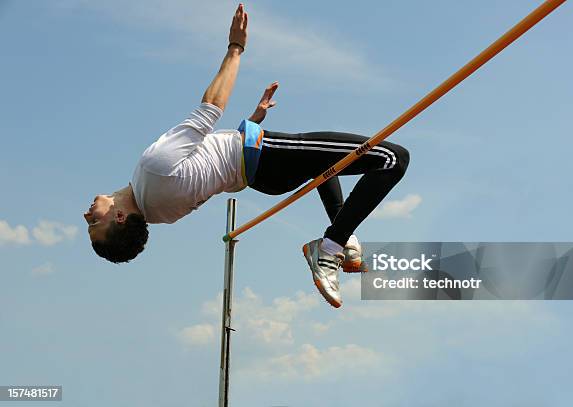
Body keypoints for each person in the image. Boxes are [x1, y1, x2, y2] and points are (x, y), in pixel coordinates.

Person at [83, 4, 409, 308]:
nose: (87, 216)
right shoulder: (152, 173)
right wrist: (235, 47)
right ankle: (330, 249)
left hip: (260, 172)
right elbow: (210, 109)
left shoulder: (156, 209)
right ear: (121, 218)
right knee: (392, 158)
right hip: (264, 157)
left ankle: (344, 239)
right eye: (94, 223)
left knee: (326, 164)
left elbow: (211, 167)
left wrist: (251, 122)